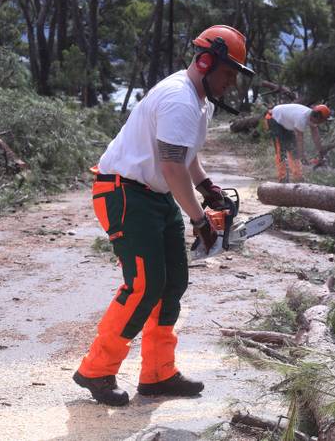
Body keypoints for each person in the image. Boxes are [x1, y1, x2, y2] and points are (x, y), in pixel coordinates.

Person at [72, 24, 254, 406]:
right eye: (228, 73)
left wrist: (209, 189)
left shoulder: (197, 100)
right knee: (143, 284)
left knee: (172, 282)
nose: (230, 83)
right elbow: (172, 166)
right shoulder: (178, 98)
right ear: (206, 62)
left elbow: (186, 158)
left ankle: (157, 373)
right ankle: (96, 370)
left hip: (152, 196)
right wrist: (199, 219)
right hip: (124, 192)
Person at [263, 103, 330, 182]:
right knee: (281, 149)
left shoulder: (312, 117)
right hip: (273, 118)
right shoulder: (301, 118)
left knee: (293, 149)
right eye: (322, 120)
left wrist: (321, 151)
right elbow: (299, 139)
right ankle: (283, 178)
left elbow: (315, 136)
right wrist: (302, 156)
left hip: (285, 123)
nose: (321, 122)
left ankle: (298, 178)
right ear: (318, 116)